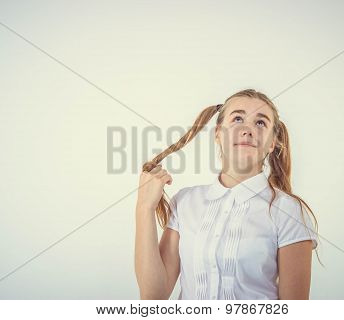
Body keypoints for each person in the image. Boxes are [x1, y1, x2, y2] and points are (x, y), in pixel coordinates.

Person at [135, 88, 322, 300]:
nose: (247, 129)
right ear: (218, 134)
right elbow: (153, 297)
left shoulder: (288, 211)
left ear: (272, 143)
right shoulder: (186, 202)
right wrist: (144, 207)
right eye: (237, 118)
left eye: (260, 123)